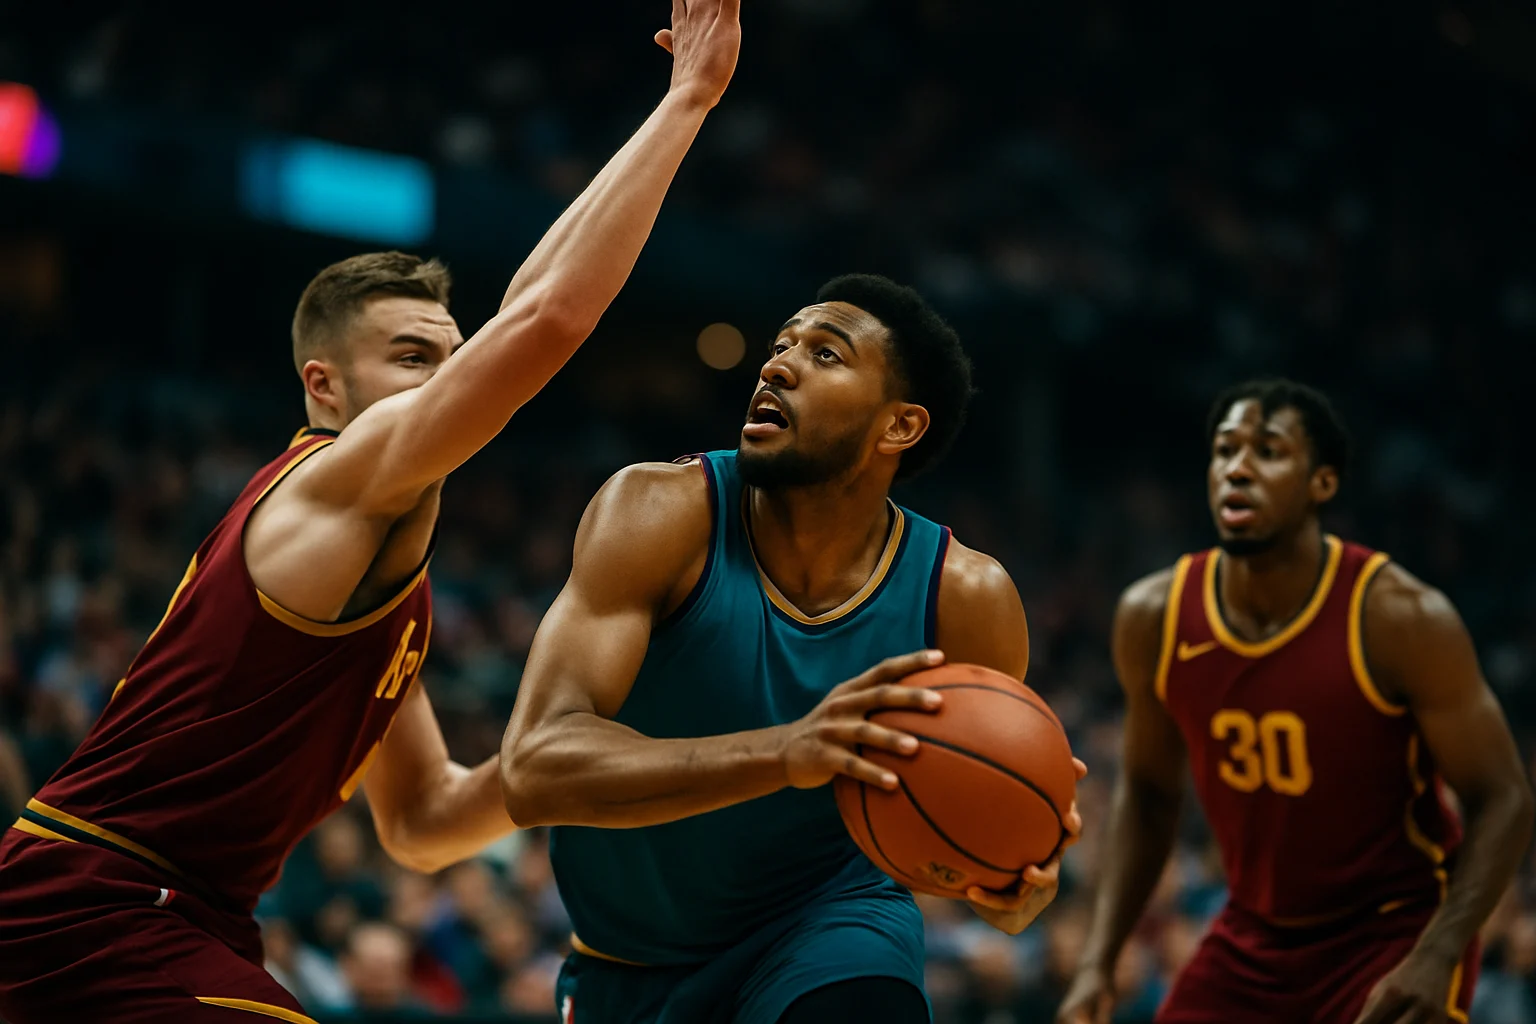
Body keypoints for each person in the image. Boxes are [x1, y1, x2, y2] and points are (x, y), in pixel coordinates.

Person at [0, 4, 742, 1021]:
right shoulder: (329, 483)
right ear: (324, 385)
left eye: (449, 356)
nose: (445, 381)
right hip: (100, 898)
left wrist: (596, 741)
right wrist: (688, 99)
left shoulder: (389, 587)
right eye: (410, 359)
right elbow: (547, 320)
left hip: (180, 918)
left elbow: (427, 820)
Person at [501, 274, 1086, 1024]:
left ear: (898, 427)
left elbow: (954, 815)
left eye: (826, 354)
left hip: (830, 925)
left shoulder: (964, 597)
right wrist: (786, 752)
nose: (776, 365)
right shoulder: (658, 513)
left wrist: (1002, 875)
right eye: (781, 346)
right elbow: (533, 768)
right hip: (629, 961)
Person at [1058, 379, 1535, 1024]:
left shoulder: (1398, 617)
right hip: (1252, 935)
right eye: (1225, 450)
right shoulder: (1155, 616)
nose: (1238, 469)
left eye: (1269, 451)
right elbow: (1147, 794)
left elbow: (1502, 795)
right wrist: (1098, 960)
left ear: (1323, 484)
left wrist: (1441, 952)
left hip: (1392, 931)